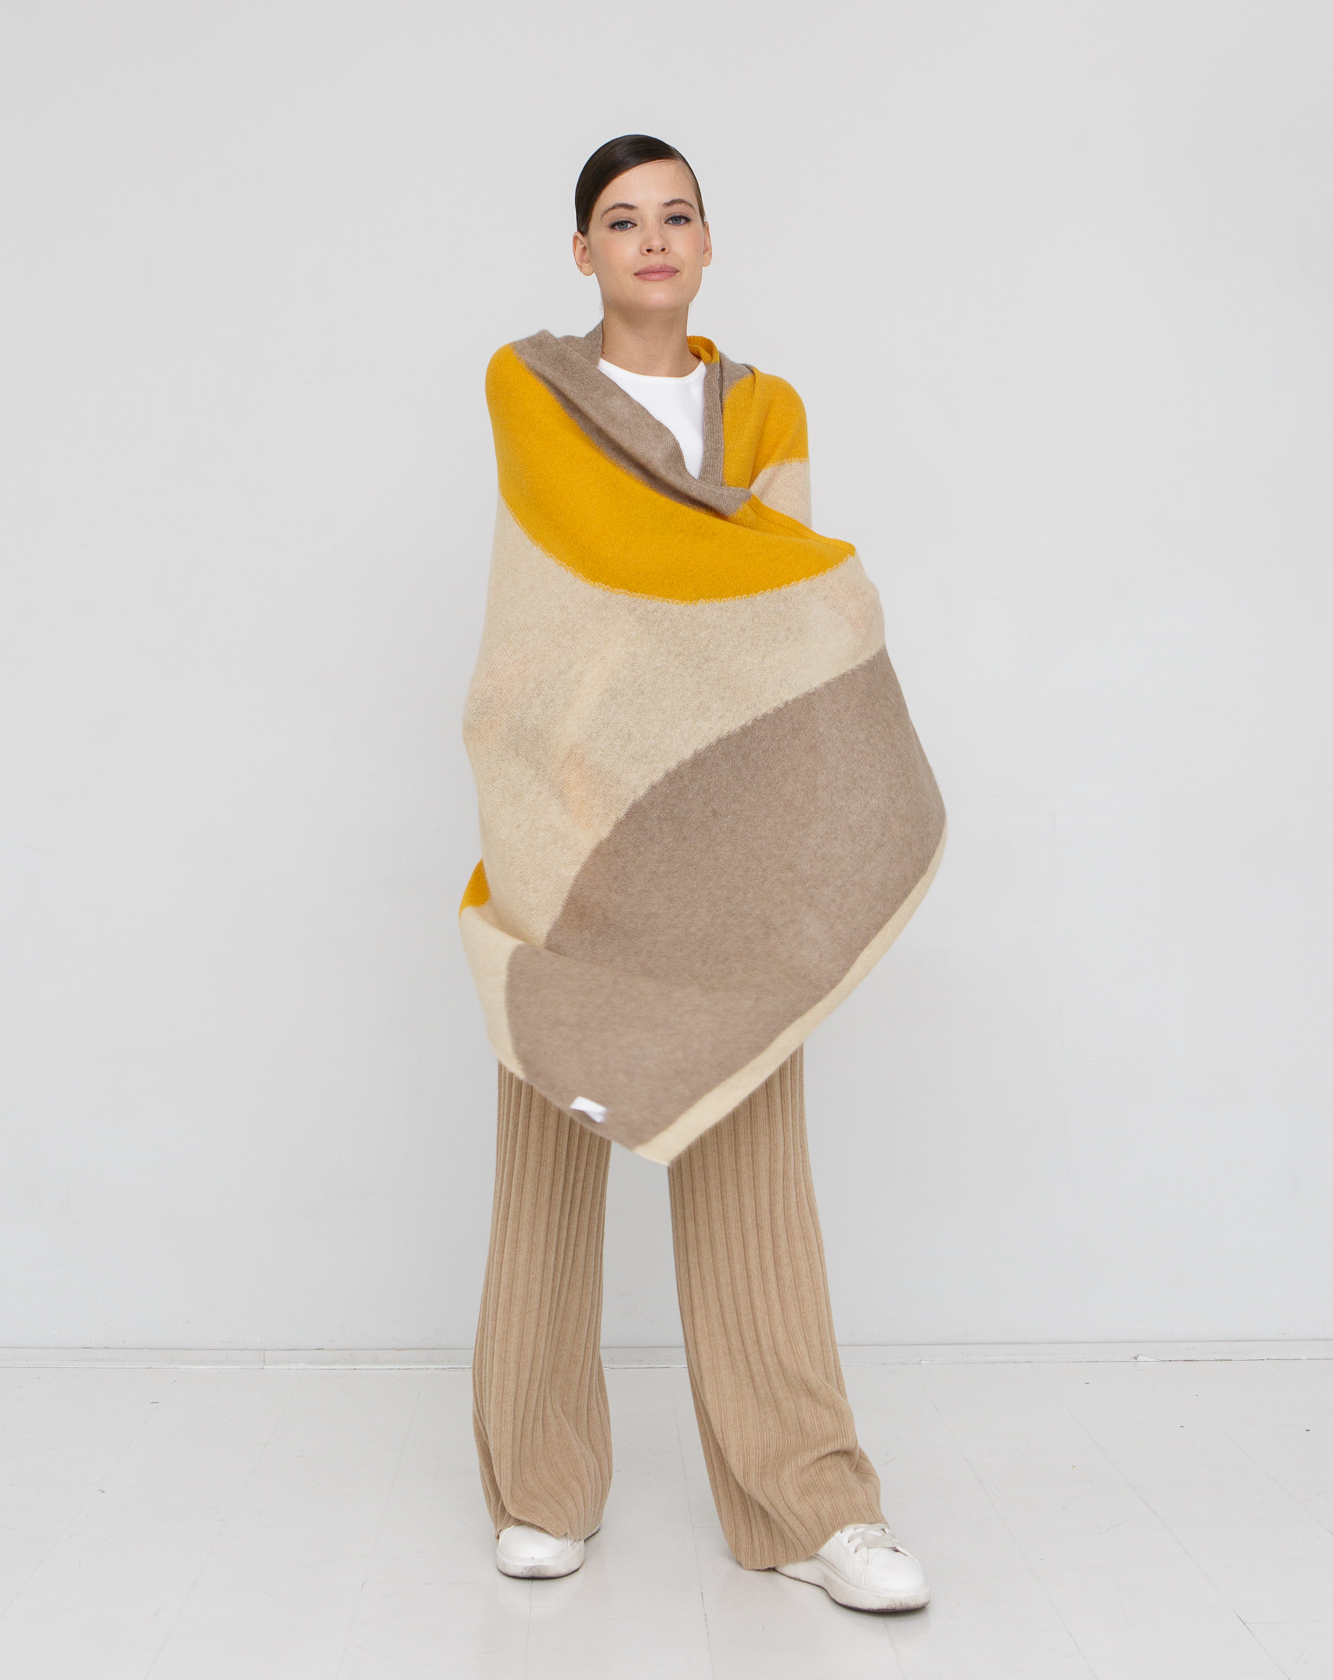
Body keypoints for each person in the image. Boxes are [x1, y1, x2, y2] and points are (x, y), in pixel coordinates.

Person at [458, 134, 944, 1614]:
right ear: (584, 253)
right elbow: (582, 584)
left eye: (677, 215)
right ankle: (540, 1487)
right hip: (571, 806)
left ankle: (808, 1507)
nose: (653, 238)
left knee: (748, 1147)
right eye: (622, 220)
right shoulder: (530, 385)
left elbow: (768, 601)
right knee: (551, 1152)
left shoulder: (766, 407)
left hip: (723, 814)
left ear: (710, 243)